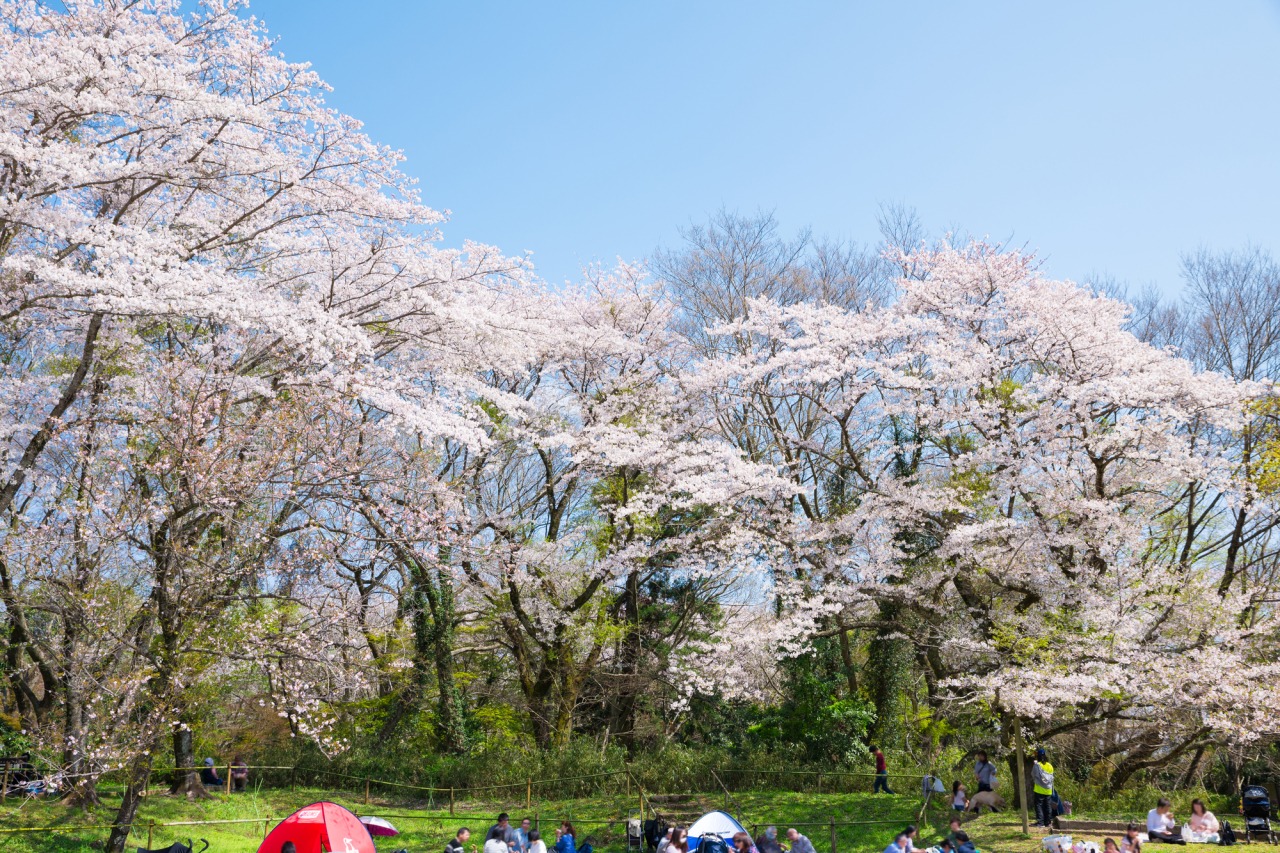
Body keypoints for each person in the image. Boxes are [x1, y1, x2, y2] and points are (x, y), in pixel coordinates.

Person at [1031, 748, 1055, 828]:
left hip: (1039, 789)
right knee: (1047, 806)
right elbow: (1051, 776)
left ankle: (1040, 823)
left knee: (1039, 806)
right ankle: (1048, 822)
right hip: (1048, 790)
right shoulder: (1050, 765)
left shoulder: (1037, 765)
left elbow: (1033, 775)